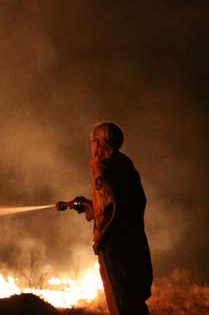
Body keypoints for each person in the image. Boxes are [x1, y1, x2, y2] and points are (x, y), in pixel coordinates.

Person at [57, 122, 153, 315]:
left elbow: (116, 207)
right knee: (133, 299)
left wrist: (101, 236)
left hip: (116, 246)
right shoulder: (124, 164)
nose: (91, 146)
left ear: (100, 143)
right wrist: (88, 205)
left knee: (121, 301)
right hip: (133, 243)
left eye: (92, 141)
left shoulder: (102, 168)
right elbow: (114, 206)